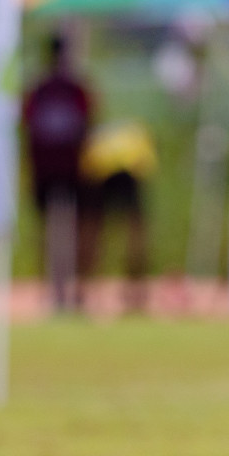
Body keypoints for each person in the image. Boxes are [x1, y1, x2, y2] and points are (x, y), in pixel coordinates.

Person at [23, 31, 94, 311]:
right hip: (51, 168)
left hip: (67, 168)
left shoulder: (73, 90)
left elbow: (87, 124)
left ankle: (68, 288)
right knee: (51, 232)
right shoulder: (44, 90)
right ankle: (53, 289)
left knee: (70, 230)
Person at [80, 120, 157, 313]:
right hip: (113, 172)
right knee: (133, 230)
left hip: (105, 171)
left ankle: (91, 289)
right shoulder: (133, 136)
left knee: (94, 230)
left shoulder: (103, 138)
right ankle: (134, 290)